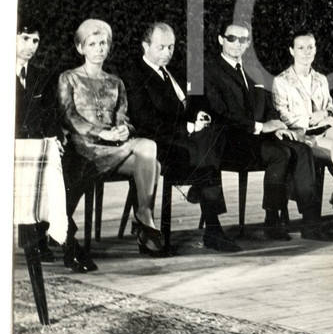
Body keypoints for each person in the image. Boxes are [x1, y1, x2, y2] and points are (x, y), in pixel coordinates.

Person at [205, 21, 333, 242]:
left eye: (243, 40)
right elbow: (219, 113)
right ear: (220, 40)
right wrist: (259, 127)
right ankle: (273, 219)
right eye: (231, 38)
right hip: (230, 142)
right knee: (281, 154)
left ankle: (310, 222)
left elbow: (268, 107)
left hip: (260, 140)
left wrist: (278, 126)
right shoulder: (210, 71)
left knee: (302, 147)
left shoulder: (253, 71)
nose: (238, 44)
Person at [123, 22, 240, 253]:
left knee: (215, 132)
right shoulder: (135, 75)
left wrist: (199, 114)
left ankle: (206, 205)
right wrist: (188, 127)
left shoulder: (174, 69)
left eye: (171, 47)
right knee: (208, 150)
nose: (168, 52)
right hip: (159, 144)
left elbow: (194, 101)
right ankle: (213, 229)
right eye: (161, 47)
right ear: (145, 46)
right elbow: (146, 121)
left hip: (189, 140)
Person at [58, 19, 164, 263]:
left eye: (103, 43)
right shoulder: (69, 78)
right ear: (80, 48)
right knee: (153, 163)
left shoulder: (115, 82)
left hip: (113, 147)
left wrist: (124, 130)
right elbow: (68, 116)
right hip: (84, 148)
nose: (99, 49)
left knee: (148, 150)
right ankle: (144, 221)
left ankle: (144, 216)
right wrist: (101, 133)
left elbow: (123, 117)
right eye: (92, 44)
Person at [272, 30, 333, 215]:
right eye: (301, 48)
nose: (306, 51)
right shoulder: (281, 81)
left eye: (310, 47)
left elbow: (331, 108)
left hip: (325, 129)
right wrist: (311, 119)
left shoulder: (321, 79)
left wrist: (324, 112)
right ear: (292, 51)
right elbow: (283, 115)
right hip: (302, 134)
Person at [15, 21, 65, 263]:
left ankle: (45, 235)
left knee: (69, 165)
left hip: (37, 146)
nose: (31, 46)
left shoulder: (40, 76)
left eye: (35, 40)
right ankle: (40, 242)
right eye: (25, 38)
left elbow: (51, 114)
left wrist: (55, 138)